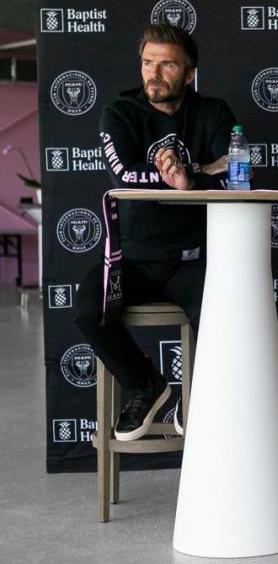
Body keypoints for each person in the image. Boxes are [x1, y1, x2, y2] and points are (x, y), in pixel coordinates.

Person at [73, 22, 236, 441]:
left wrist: (190, 179)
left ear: (189, 73)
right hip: (135, 261)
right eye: (148, 63)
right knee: (89, 307)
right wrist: (190, 175)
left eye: (167, 65)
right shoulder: (120, 112)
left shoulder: (213, 113)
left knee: (224, 311)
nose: (154, 74)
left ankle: (198, 396)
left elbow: (237, 175)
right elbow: (124, 174)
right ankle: (146, 385)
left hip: (195, 259)